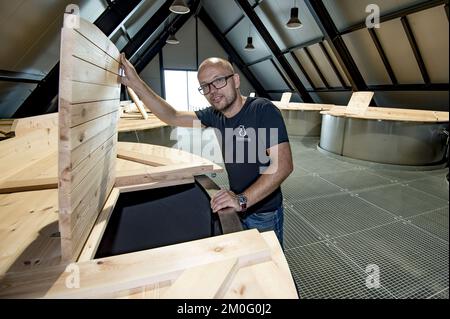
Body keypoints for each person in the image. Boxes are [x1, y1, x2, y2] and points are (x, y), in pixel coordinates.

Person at [120, 54, 293, 247]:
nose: (212, 91)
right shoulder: (215, 115)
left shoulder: (261, 110)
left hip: (263, 212)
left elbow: (283, 165)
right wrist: (136, 84)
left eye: (218, 81)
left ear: (235, 80)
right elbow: (172, 116)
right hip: (238, 205)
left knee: (271, 268)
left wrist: (242, 200)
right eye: (205, 86)